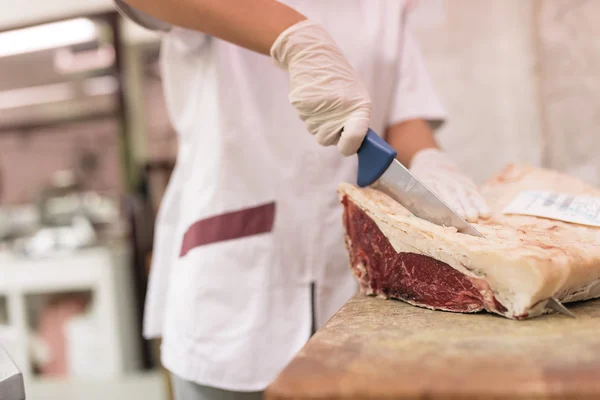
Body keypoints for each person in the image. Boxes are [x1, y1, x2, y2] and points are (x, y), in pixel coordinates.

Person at [115, 1, 491, 399]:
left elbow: (404, 110)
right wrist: (294, 36)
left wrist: (430, 162)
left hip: (353, 290)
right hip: (233, 293)